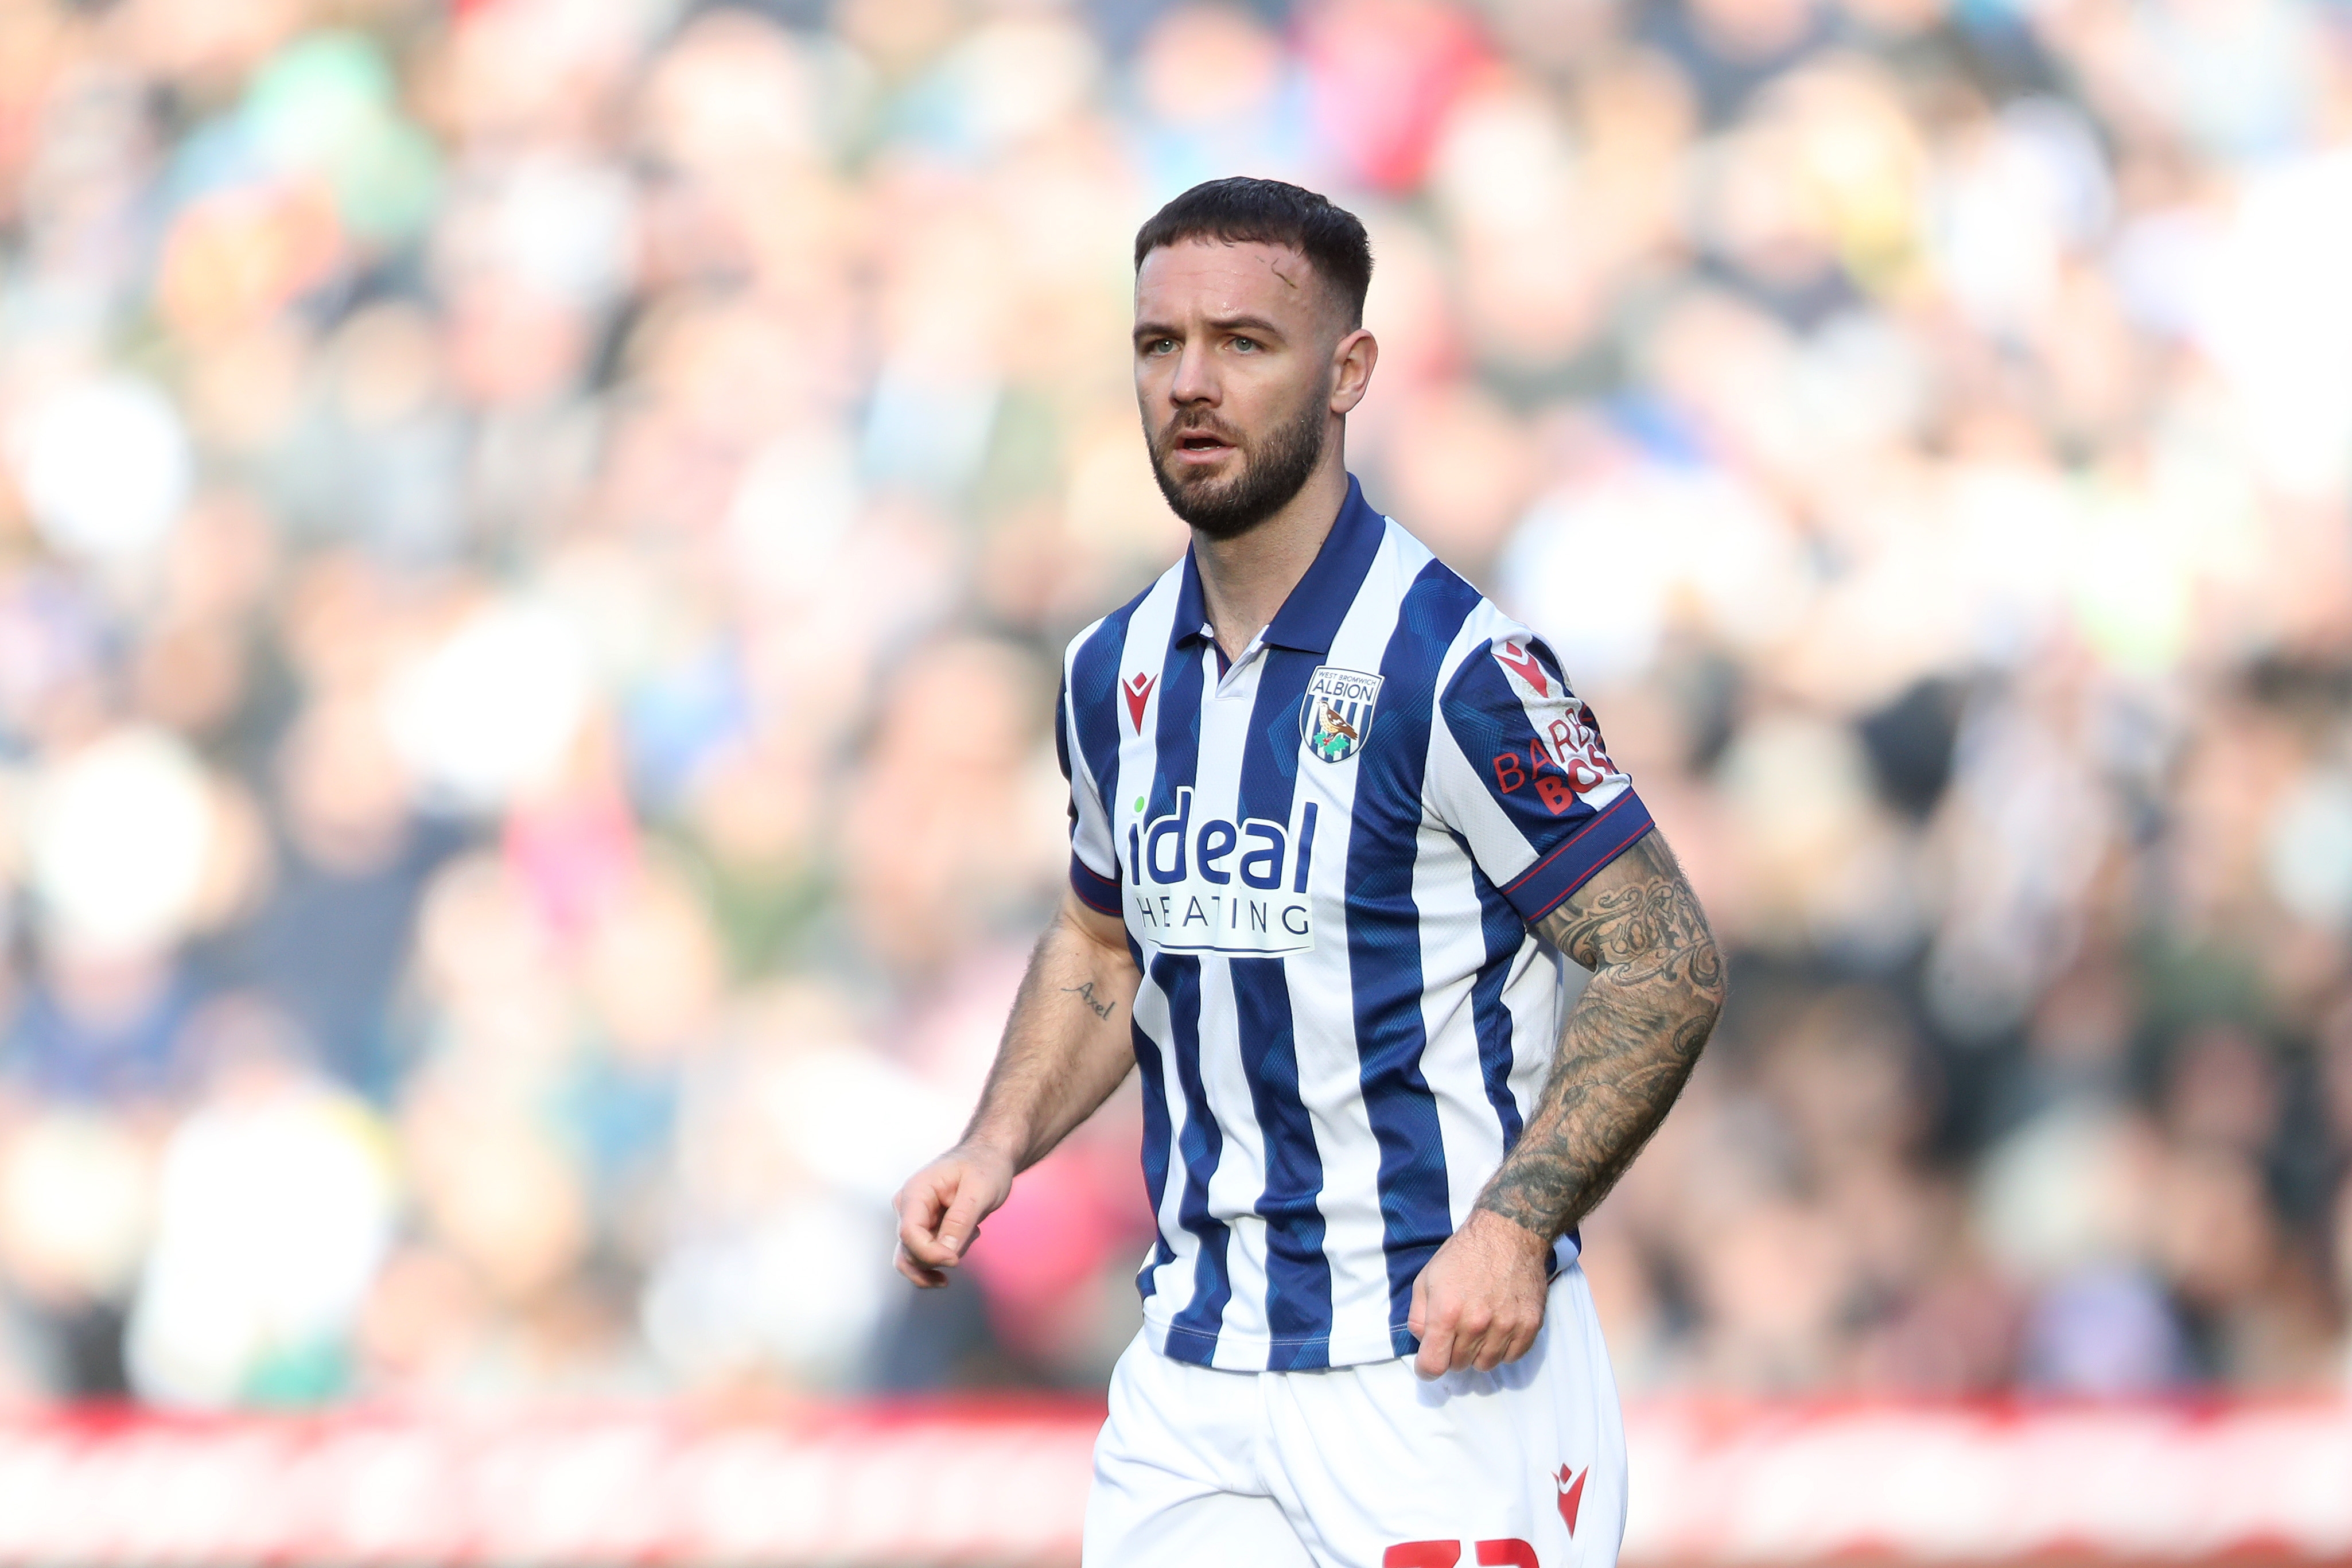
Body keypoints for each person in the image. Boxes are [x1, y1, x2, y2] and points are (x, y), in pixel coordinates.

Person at [893, 177, 1724, 1568]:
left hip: (1436, 1367)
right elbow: (1105, 944)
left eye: (1244, 343)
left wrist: (1518, 1224)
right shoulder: (1112, 670)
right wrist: (996, 1144)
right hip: (1194, 1367)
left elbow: (1663, 954)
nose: (1193, 385)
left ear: (1348, 372)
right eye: (1160, 346)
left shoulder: (1455, 667)